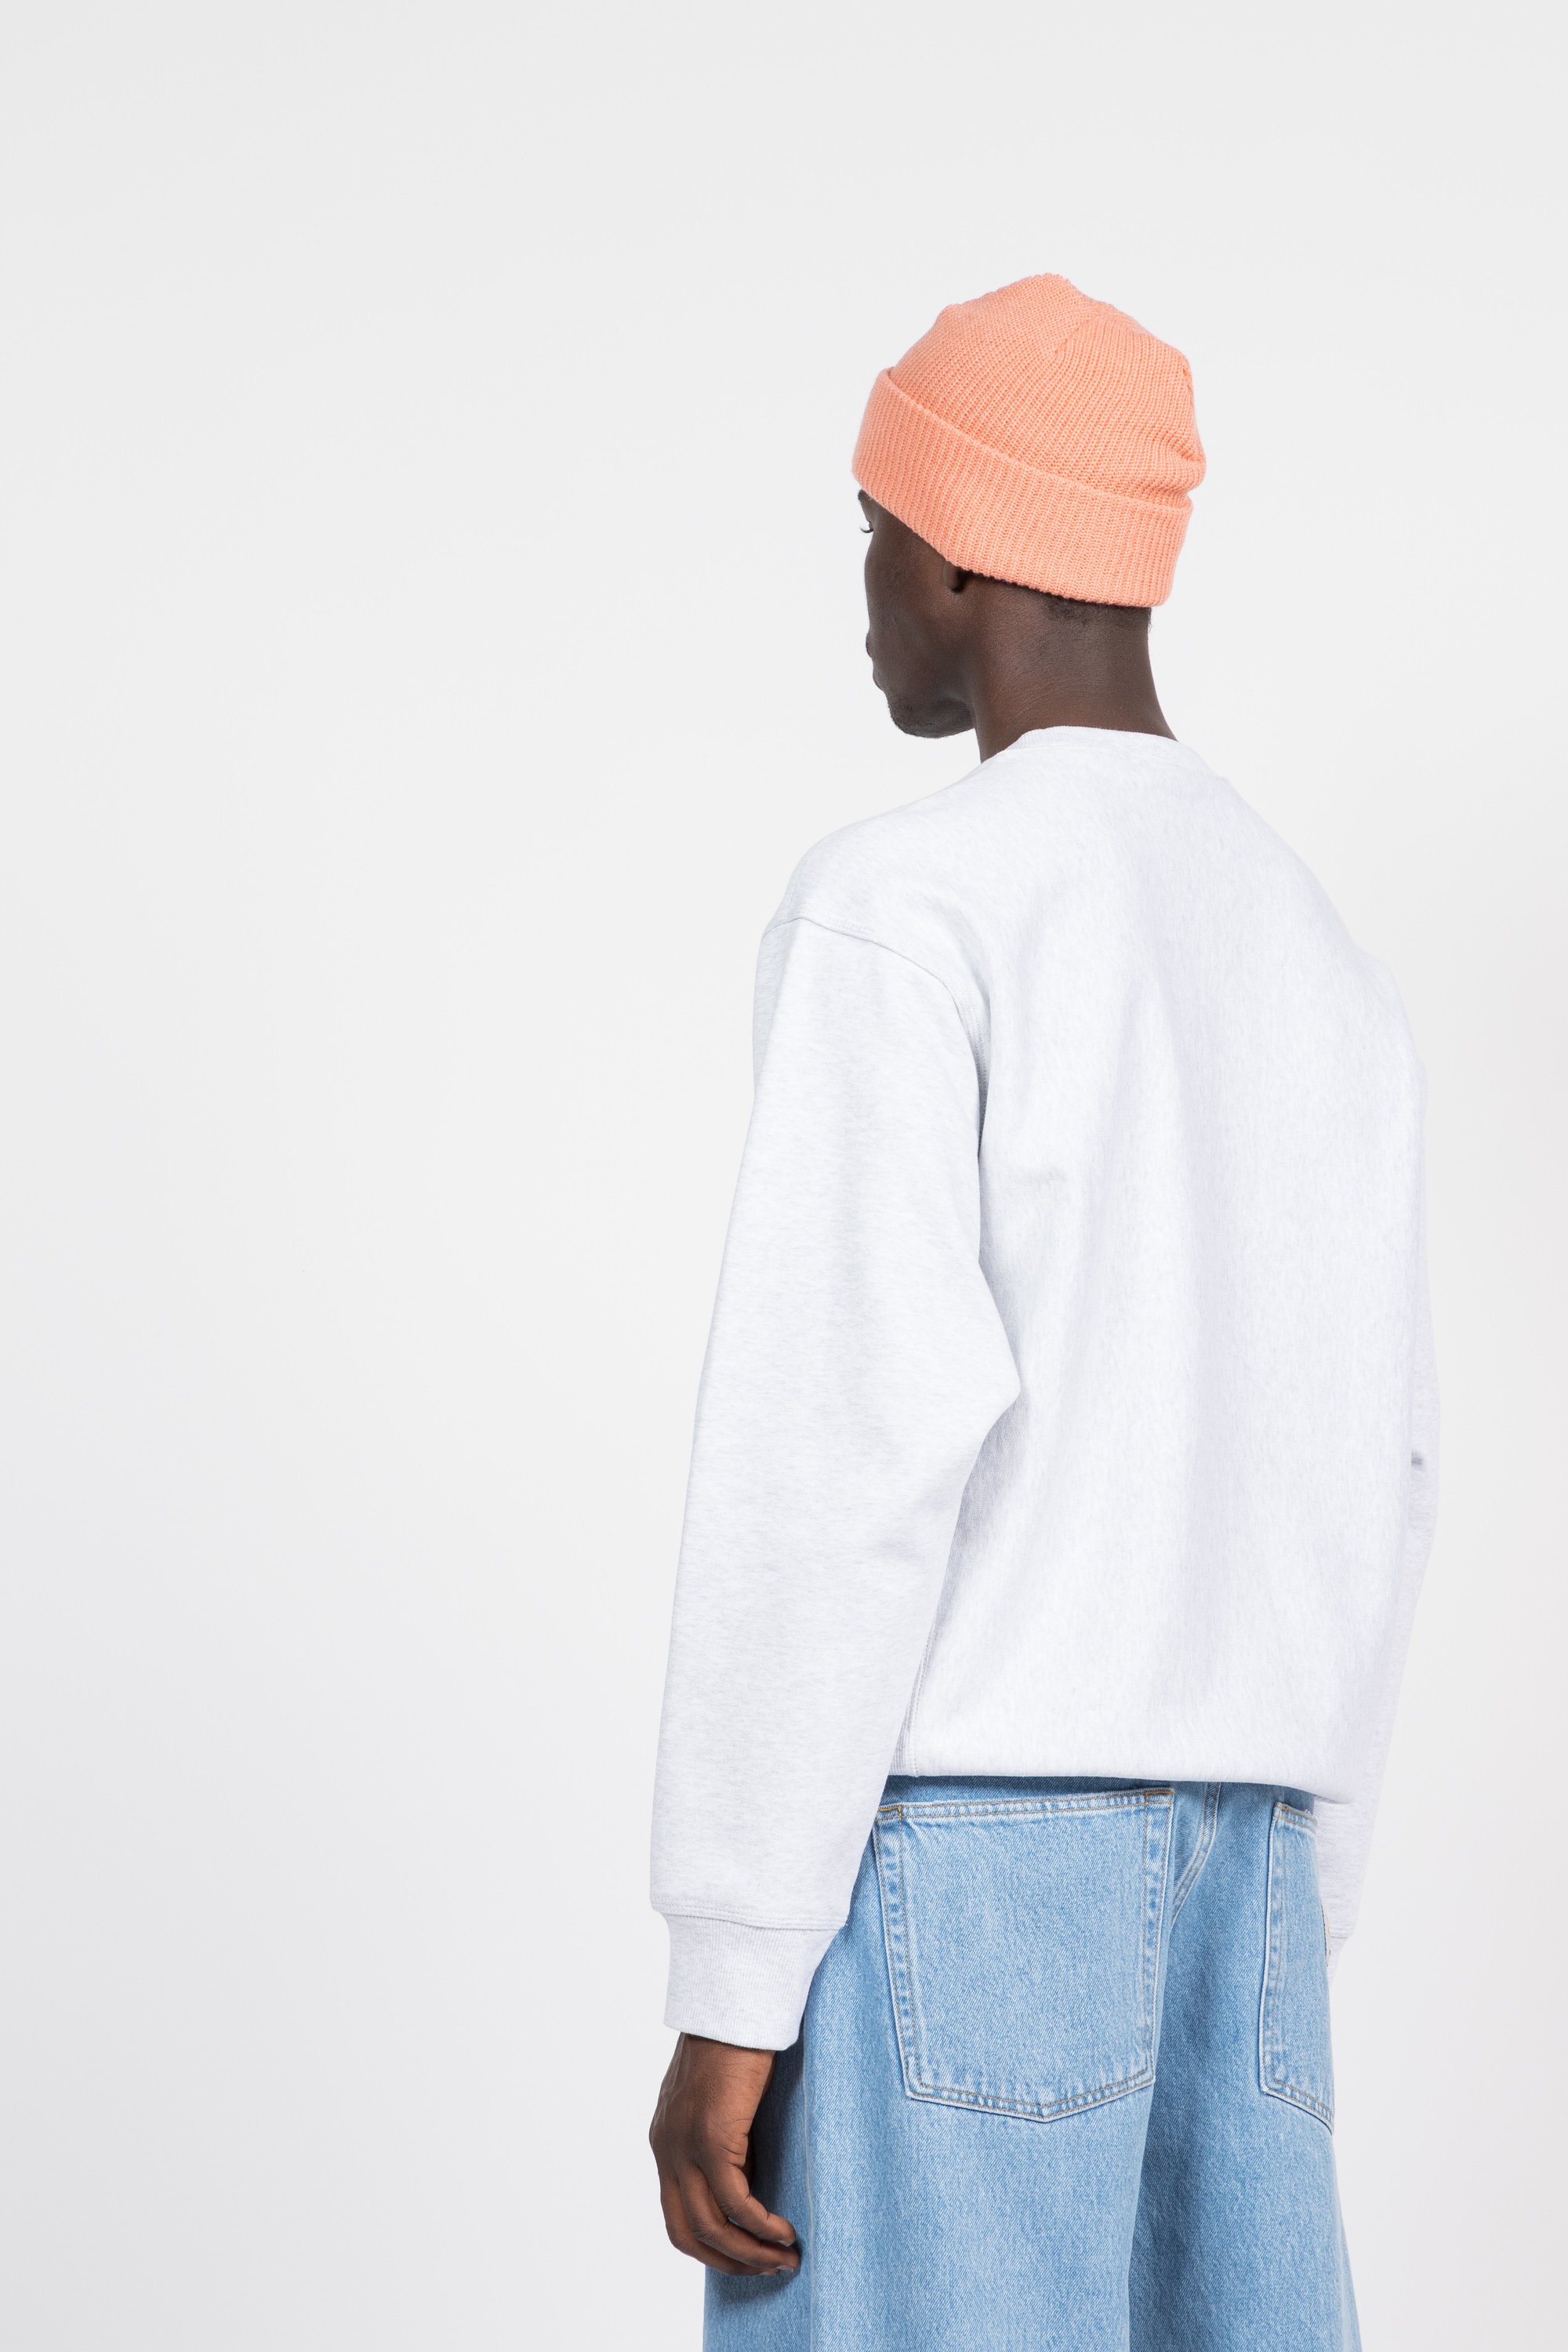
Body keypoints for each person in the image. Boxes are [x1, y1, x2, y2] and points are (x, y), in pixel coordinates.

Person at [647, 275, 1437, 2350]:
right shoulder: (1314, 956)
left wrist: (735, 1969)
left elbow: (837, 1453)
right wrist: (1299, 1894)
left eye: (873, 533)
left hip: (966, 1872)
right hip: (1248, 1871)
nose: (867, 595)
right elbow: (1380, 1461)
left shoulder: (908, 906)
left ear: (960, 549)